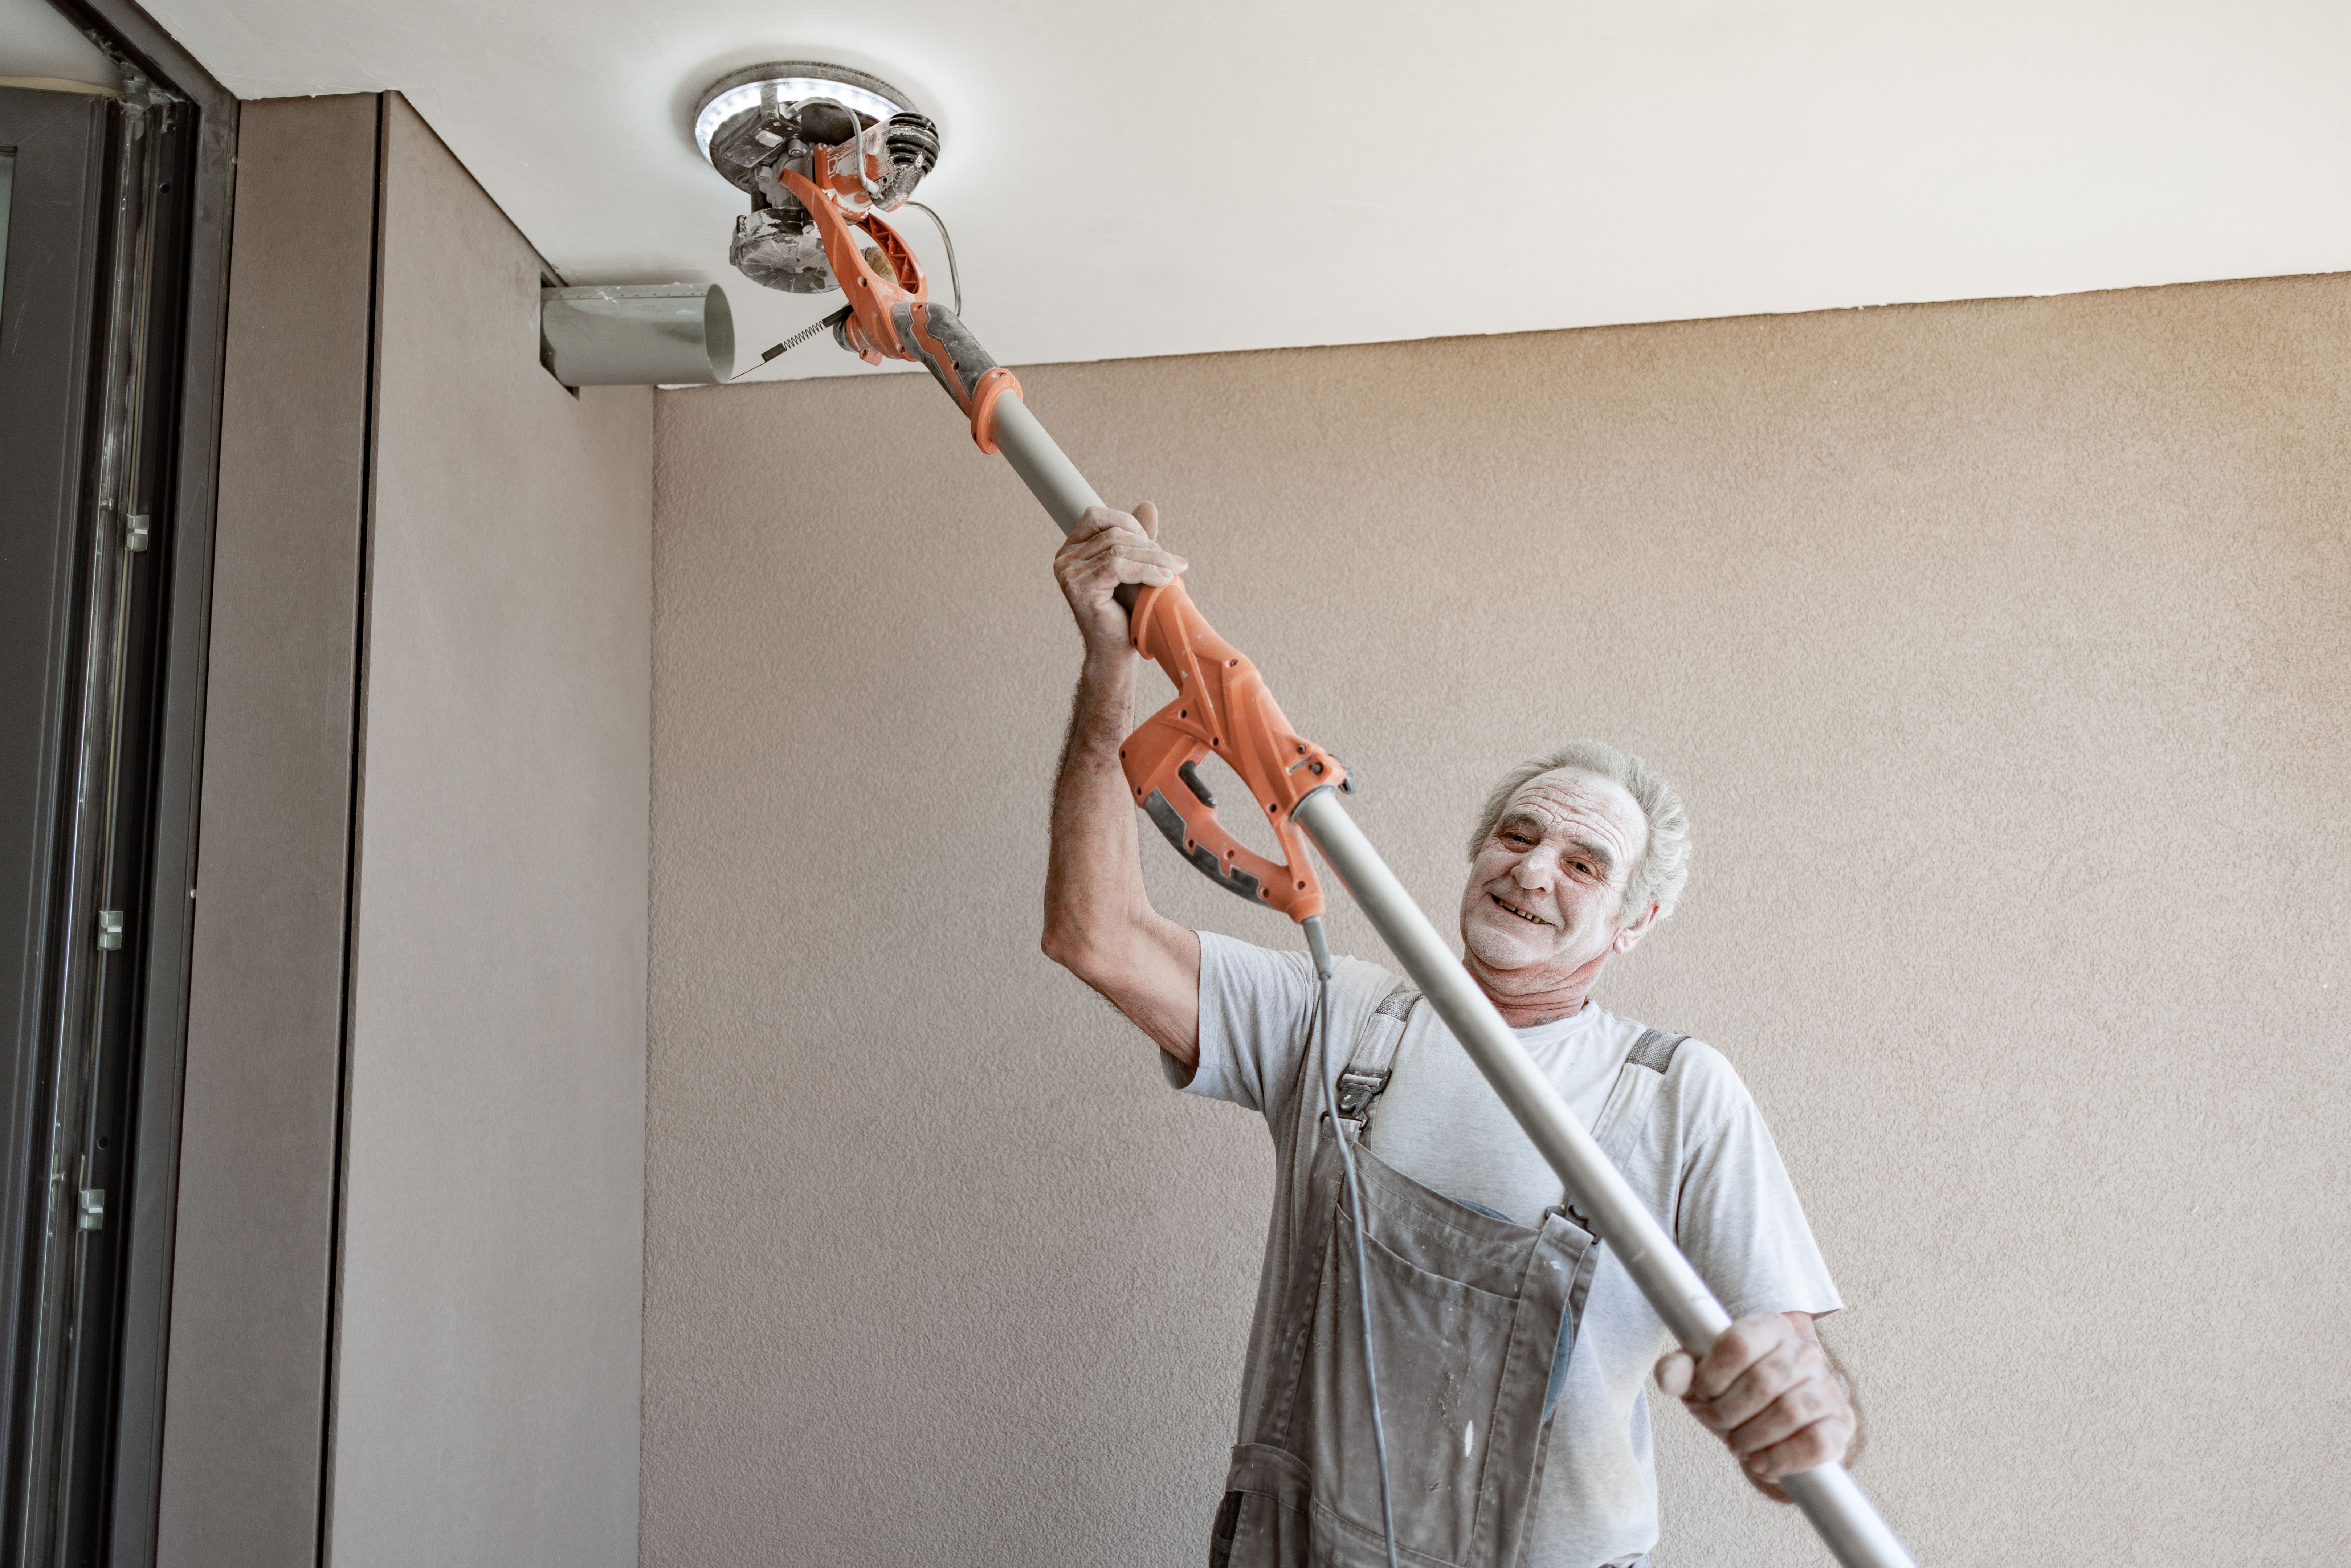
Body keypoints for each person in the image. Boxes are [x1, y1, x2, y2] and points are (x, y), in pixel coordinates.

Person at [1041, 503, 1860, 1568]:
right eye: (1518, 836)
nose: (1532, 870)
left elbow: (1788, 1355)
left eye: (1584, 864)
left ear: (1635, 922)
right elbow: (1094, 934)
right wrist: (1110, 670)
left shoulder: (1676, 1094)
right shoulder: (1337, 1019)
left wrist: (1808, 1405)